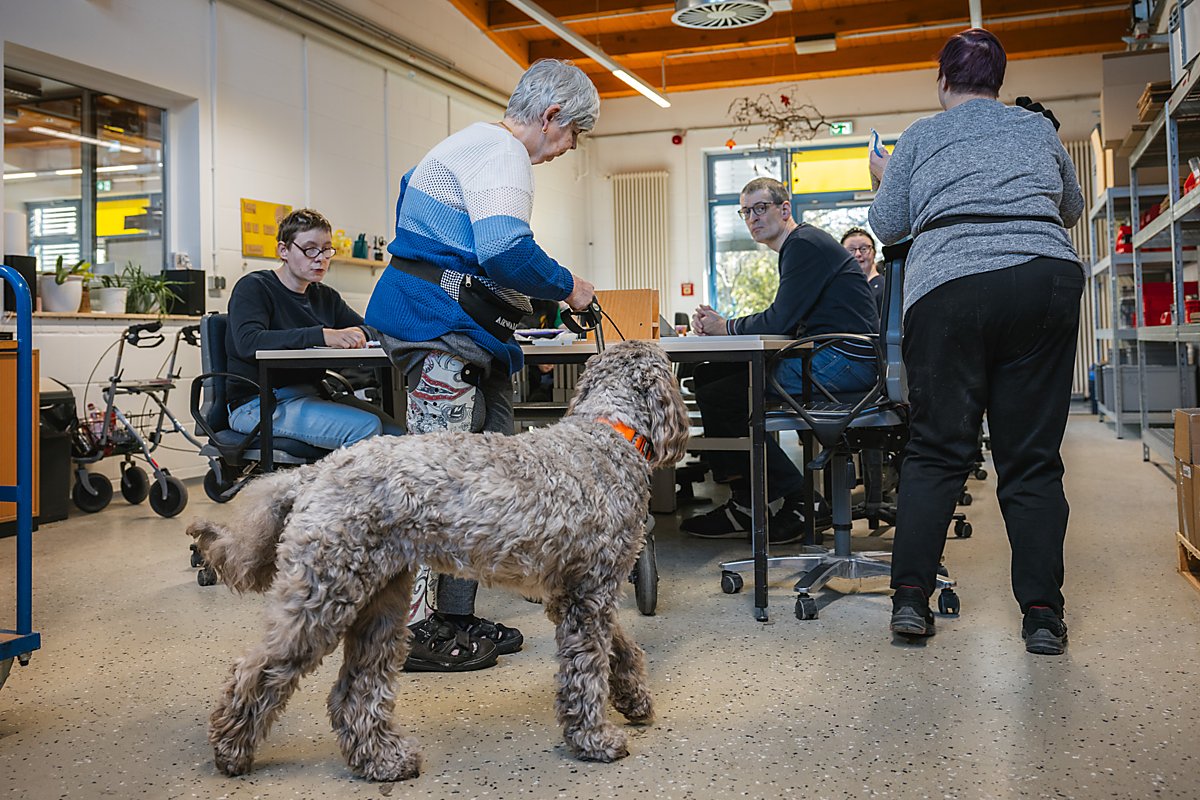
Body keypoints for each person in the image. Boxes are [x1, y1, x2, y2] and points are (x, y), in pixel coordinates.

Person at [365, 59, 598, 670]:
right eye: (572, 133)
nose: (567, 148)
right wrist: (567, 285)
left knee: (480, 490)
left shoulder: (465, 143)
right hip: (438, 330)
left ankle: (453, 616)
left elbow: (423, 207)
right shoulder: (503, 151)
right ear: (551, 117)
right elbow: (503, 248)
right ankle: (407, 635)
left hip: (459, 329)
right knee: (430, 490)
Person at [868, 28, 1084, 654]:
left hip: (951, 287)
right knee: (1031, 457)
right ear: (998, 84)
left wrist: (887, 176)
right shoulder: (1035, 129)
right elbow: (1067, 207)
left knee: (937, 450)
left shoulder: (921, 135)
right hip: (1042, 280)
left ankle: (910, 602)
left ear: (942, 83)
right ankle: (1043, 616)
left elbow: (887, 225)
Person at [682, 177, 879, 543]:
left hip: (845, 361)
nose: (753, 218)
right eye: (746, 212)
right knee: (713, 377)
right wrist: (728, 327)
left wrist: (725, 325)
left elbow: (779, 320)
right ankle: (750, 500)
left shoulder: (803, 245)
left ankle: (795, 499)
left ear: (784, 209)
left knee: (726, 393)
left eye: (761, 208)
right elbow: (789, 318)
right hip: (839, 356)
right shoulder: (803, 246)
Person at [225, 208, 404, 451]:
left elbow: (369, 328)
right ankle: (339, 490)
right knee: (365, 429)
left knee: (399, 435)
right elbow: (249, 342)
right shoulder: (254, 288)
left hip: (315, 395)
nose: (320, 258)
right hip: (258, 404)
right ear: (283, 250)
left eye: (326, 249)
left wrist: (361, 334)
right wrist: (322, 335)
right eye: (310, 249)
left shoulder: (325, 297)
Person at [841, 227, 885, 313]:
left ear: (874, 252)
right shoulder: (839, 291)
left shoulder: (885, 288)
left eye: (864, 249)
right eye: (851, 250)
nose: (858, 254)